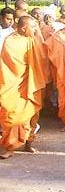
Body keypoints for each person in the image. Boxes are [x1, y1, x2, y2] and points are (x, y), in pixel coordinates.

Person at [0, 15, 46, 159]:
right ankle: (10, 146)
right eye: (33, 27)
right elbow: (9, 65)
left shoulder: (32, 41)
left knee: (31, 115)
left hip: (31, 83)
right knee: (12, 115)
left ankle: (28, 143)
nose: (35, 30)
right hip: (14, 85)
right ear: (24, 28)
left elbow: (43, 57)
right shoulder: (10, 41)